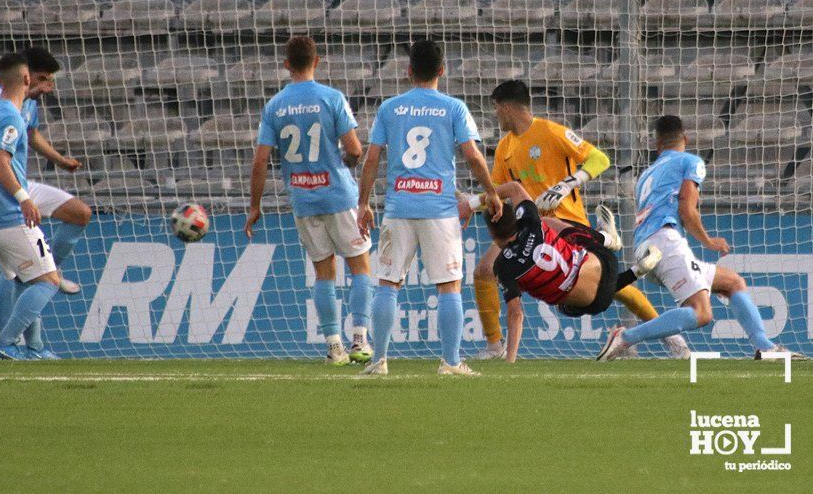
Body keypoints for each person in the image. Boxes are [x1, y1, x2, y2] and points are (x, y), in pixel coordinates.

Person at [472, 80, 689, 360]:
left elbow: (599, 159)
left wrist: (566, 185)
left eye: (495, 109)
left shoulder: (551, 132)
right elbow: (498, 194)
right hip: (528, 226)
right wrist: (472, 202)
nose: (495, 116)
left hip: (566, 222)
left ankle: (671, 337)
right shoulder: (504, 147)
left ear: (505, 107)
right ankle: (495, 346)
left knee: (612, 290)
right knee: (484, 271)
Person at [598, 115, 805, 361]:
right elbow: (687, 208)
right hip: (665, 242)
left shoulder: (647, 173)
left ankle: (764, 346)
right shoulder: (691, 161)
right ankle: (626, 337)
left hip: (646, 247)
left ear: (657, 145)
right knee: (700, 312)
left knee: (732, 283)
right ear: (685, 138)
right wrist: (708, 241)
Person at [356, 39, 503, 376]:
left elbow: (372, 159)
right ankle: (450, 363)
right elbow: (472, 155)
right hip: (439, 209)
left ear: (408, 72)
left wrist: (363, 203)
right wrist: (491, 192)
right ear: (442, 71)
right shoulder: (453, 108)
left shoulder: (389, 108)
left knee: (387, 283)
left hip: (399, 206)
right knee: (449, 285)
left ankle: (378, 361)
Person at [246, 36, 373, 365]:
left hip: (303, 199)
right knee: (359, 266)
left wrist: (255, 206)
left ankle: (333, 346)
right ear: (317, 62)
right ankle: (359, 338)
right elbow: (356, 148)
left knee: (323, 273)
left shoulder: (274, 106)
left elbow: (260, 161)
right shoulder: (331, 98)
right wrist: (349, 163)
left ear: (287, 65)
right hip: (338, 195)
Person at [471, 182, 661, 362]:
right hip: (605, 261)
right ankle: (606, 240)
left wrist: (510, 360)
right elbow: (514, 187)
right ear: (515, 216)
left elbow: (516, 314)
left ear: (492, 234)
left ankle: (636, 271)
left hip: (595, 303)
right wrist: (471, 203)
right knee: (549, 223)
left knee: (563, 299)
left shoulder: (503, 266)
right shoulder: (531, 221)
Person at [0, 47, 88, 358]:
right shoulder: (1, 103)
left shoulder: (27, 104)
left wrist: (59, 159)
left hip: (19, 185)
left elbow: (30, 134)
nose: (49, 88)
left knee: (79, 213)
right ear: (28, 77)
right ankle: (15, 342)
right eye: (45, 80)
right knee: (14, 274)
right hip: (5, 190)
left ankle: (48, 268)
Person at [0, 53, 60, 360]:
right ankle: (4, 342)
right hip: (7, 215)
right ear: (26, 79)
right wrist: (24, 198)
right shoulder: (11, 116)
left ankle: (33, 349)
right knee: (49, 281)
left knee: (20, 279)